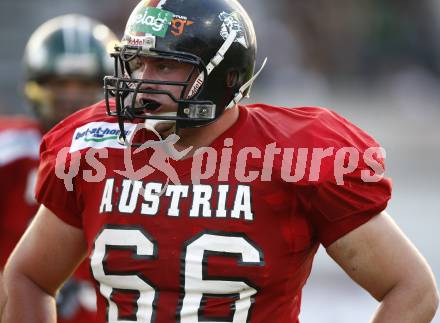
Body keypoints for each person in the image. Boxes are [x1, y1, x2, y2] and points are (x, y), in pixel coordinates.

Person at [3, 1, 439, 322]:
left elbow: (412, 289)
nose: (141, 83)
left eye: (165, 66)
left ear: (226, 76)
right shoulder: (95, 147)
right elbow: (28, 277)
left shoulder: (291, 155)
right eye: (138, 64)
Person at [0, 14, 118, 323]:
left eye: (84, 84)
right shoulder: (9, 150)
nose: (72, 96)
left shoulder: (131, 154)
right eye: (60, 83)